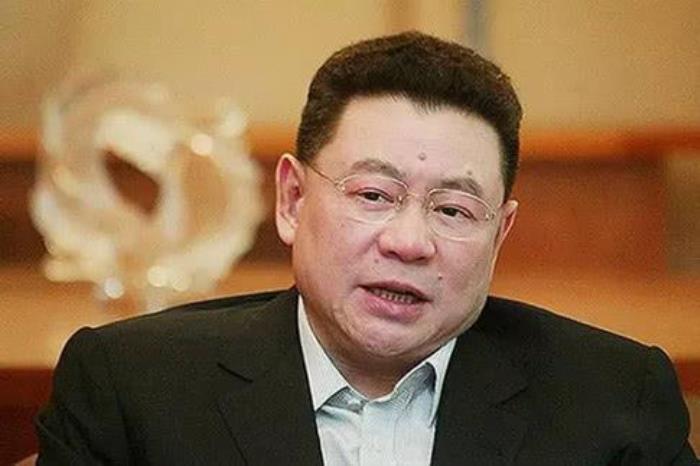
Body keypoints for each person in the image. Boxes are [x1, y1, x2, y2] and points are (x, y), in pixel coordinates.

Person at [36, 31, 697, 466]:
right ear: (292, 200)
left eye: (453, 210)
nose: (409, 242)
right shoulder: (131, 391)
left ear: (500, 233)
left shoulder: (617, 403)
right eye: (374, 195)